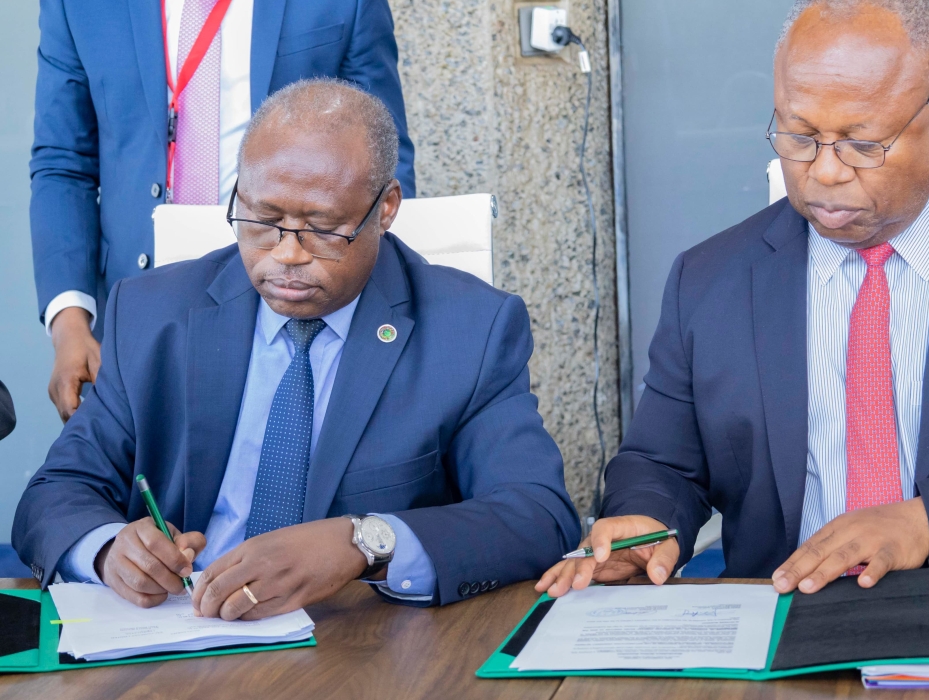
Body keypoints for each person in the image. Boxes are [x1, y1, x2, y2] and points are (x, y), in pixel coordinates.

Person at [538, 0, 929, 599]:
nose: (824, 170)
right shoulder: (710, 279)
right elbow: (661, 459)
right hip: (779, 617)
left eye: (862, 142)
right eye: (798, 136)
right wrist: (649, 523)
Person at [14, 79, 579, 617]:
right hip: (176, 632)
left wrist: (367, 542)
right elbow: (58, 491)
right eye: (263, 219)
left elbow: (538, 514)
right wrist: (109, 550)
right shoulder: (151, 313)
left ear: (385, 208)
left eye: (321, 226)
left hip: (363, 646)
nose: (286, 253)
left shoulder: (470, 328)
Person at [33, 0, 417, 423]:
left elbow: (382, 159)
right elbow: (64, 165)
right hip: (139, 305)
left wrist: (386, 316)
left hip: (291, 293)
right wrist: (69, 321)